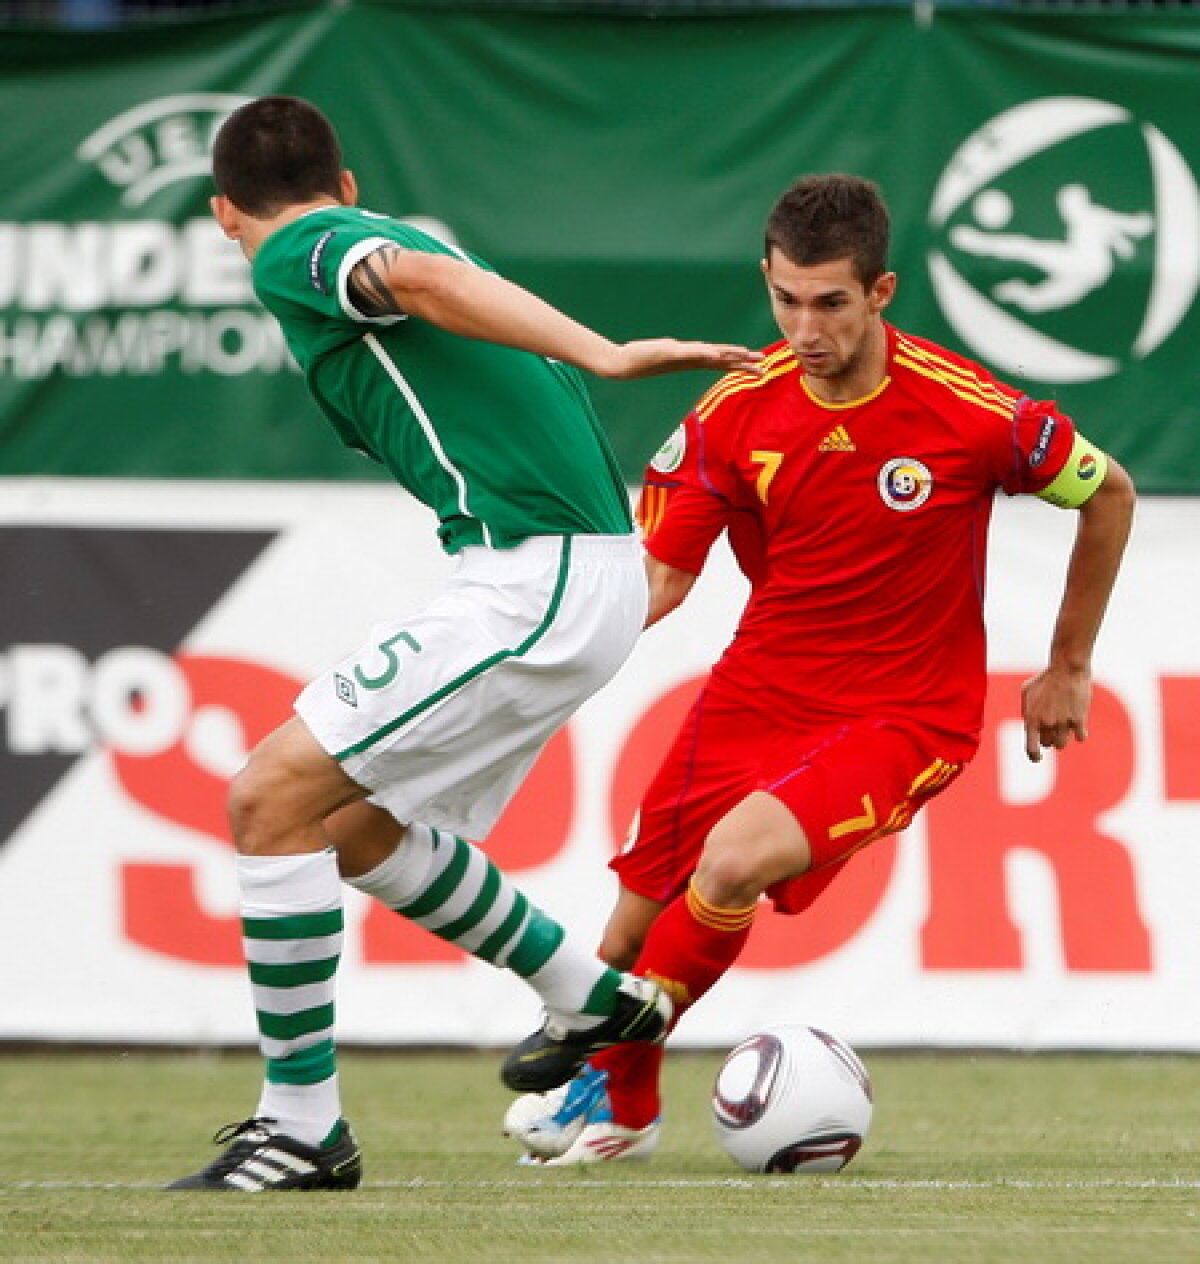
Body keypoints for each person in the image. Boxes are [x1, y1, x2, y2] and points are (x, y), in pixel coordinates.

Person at [168, 95, 762, 1191]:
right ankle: (595, 995)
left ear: (222, 212)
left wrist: (611, 354)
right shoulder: (377, 230)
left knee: (264, 799)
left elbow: (417, 278)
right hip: (575, 574)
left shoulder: (296, 245)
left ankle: (301, 1126)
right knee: (344, 828)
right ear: (345, 179)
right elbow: (430, 275)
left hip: (538, 573)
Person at [503, 172, 1136, 1165]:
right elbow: (659, 582)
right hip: (755, 694)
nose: (805, 326)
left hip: (902, 717)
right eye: (786, 298)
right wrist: (519, 656)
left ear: (880, 294)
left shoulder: (970, 413)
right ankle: (623, 1108)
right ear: (766, 279)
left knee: (732, 862)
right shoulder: (732, 415)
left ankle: (615, 1040)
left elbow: (1111, 494)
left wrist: (1068, 664)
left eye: (831, 302)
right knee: (622, 938)